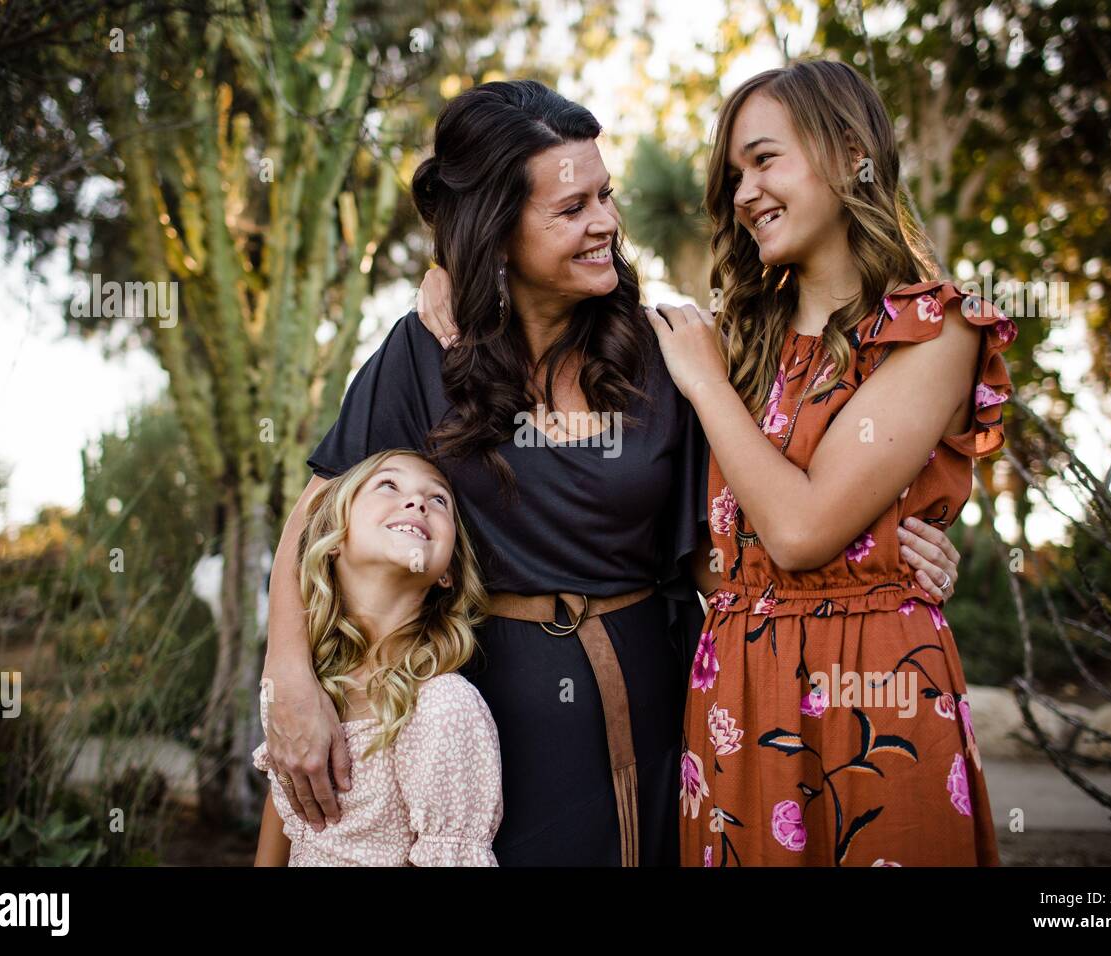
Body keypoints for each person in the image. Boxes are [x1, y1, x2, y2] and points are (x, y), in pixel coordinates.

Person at [262, 78, 963, 866]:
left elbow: (721, 549)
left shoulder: (668, 353)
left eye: (605, 195)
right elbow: (314, 520)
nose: (605, 224)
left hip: (664, 712)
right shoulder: (427, 350)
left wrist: (879, 552)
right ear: (495, 230)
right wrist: (288, 680)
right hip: (484, 722)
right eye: (571, 210)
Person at [646, 61, 1010, 866]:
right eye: (733, 174)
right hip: (737, 694)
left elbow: (803, 530)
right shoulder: (736, 342)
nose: (743, 193)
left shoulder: (933, 331)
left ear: (851, 154)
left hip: (871, 691)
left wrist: (706, 385)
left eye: (765, 159)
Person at [253, 450, 501, 866]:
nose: (417, 502)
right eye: (389, 485)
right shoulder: (304, 689)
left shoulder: (442, 708)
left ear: (447, 573)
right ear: (333, 538)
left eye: (438, 499)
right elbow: (283, 817)